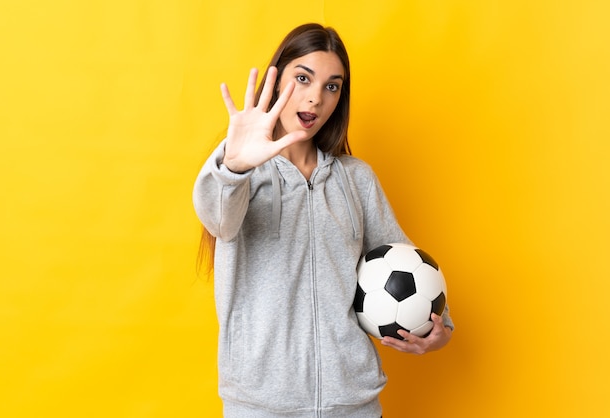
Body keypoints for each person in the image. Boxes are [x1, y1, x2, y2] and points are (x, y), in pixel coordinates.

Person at [193, 23, 454, 418]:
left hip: (353, 403)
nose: (315, 98)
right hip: (260, 405)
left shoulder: (357, 179)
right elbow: (218, 219)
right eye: (303, 78)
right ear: (276, 79)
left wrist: (439, 332)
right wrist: (233, 166)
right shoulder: (241, 174)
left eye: (332, 86)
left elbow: (404, 260)